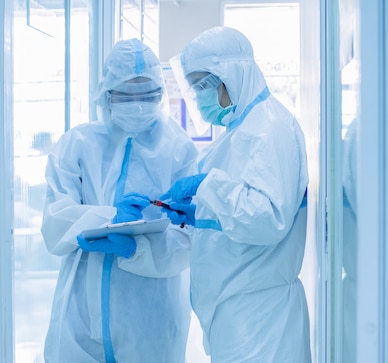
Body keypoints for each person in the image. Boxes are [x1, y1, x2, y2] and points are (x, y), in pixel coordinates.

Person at [40, 38, 199, 362]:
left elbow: (190, 238)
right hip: (80, 314)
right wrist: (110, 217)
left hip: (153, 316)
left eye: (148, 94)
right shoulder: (78, 144)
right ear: (106, 94)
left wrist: (137, 249)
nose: (138, 104)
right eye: (126, 95)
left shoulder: (179, 149)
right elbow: (56, 223)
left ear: (161, 94)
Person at [163, 26, 311, 362]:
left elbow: (267, 219)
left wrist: (207, 187)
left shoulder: (269, 128)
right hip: (239, 311)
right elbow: (241, 209)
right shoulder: (242, 129)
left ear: (232, 75)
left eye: (203, 84)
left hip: (259, 318)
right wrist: (200, 213)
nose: (199, 96)